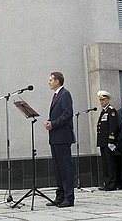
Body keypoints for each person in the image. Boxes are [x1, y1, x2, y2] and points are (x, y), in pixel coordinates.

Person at [43, 71, 75, 208]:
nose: (49, 82)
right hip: (55, 137)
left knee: (65, 168)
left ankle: (69, 197)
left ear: (57, 81)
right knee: (58, 168)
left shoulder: (65, 94)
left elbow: (68, 114)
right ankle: (60, 196)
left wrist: (53, 124)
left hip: (63, 136)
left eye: (51, 80)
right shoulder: (56, 95)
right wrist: (50, 121)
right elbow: (58, 114)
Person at [96, 90, 118, 191]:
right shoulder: (103, 111)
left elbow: (113, 127)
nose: (101, 102)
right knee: (105, 163)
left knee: (110, 163)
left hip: (108, 142)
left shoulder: (111, 111)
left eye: (103, 100)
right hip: (102, 142)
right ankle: (107, 182)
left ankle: (112, 183)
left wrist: (111, 140)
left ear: (107, 99)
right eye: (100, 100)